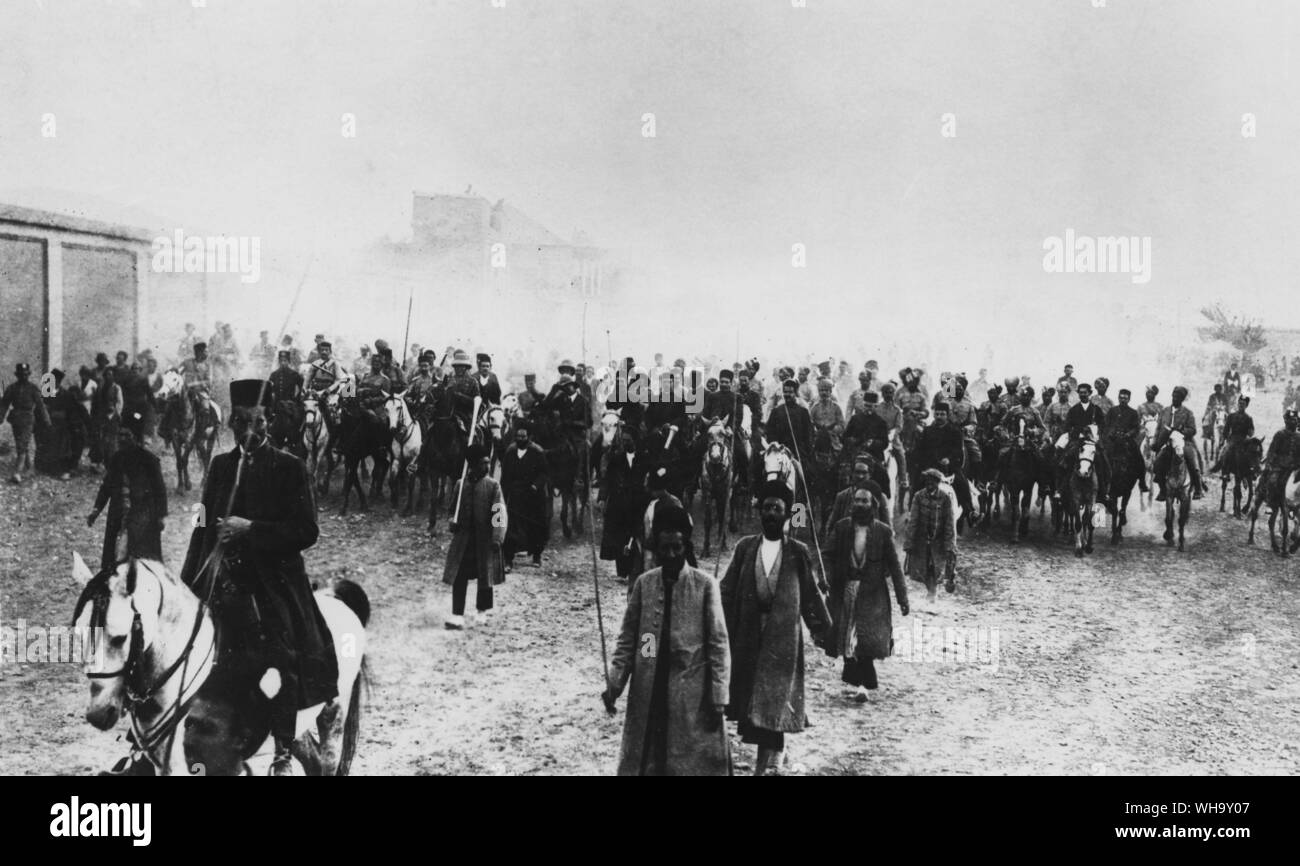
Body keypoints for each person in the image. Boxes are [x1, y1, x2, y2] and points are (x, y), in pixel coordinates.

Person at [179, 379, 338, 776]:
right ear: (234, 424)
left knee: (282, 656)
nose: (254, 430)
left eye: (260, 421)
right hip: (223, 578)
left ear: (269, 422)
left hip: (272, 581)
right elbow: (200, 519)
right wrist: (189, 579)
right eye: (246, 422)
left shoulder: (290, 467)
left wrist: (251, 529)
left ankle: (284, 749)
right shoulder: (219, 466)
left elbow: (306, 531)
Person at [603, 503, 730, 776]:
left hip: (691, 697)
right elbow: (631, 640)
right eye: (664, 549)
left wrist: (719, 694)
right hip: (649, 694)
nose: (671, 555)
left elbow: (718, 645)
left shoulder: (705, 586)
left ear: (686, 547)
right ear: (656, 549)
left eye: (677, 548)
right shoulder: (644, 585)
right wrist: (614, 683)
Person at [719, 479, 831, 776]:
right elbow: (727, 592)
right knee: (754, 700)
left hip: (783, 639)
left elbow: (810, 596)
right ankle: (766, 760)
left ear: (785, 515)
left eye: (777, 509)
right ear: (760, 512)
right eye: (766, 508)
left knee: (775, 701)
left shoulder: (797, 551)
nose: (770, 513)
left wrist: (823, 631)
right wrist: (716, 623)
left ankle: (770, 761)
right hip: (749, 636)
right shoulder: (745, 548)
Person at [825, 486, 908, 702]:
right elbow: (827, 555)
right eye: (857, 501)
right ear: (852, 503)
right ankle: (856, 680)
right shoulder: (842, 528)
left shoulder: (882, 531)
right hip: (846, 591)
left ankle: (863, 685)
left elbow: (895, 566)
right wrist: (825, 577)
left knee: (865, 639)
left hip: (872, 595)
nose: (860, 505)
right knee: (847, 637)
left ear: (873, 505)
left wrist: (902, 598)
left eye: (865, 501)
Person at [87, 411, 167, 570]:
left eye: (126, 435)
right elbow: (106, 486)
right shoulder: (117, 459)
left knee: (142, 561)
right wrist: (96, 509)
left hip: (143, 517)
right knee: (114, 559)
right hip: (118, 513)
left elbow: (160, 490)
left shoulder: (150, 461)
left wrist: (161, 516)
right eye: (120, 435)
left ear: (135, 437)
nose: (122, 439)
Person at [443, 443, 507, 630]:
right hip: (464, 540)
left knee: (484, 575)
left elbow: (498, 512)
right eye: (483, 463)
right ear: (472, 465)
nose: (487, 467)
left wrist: (497, 537)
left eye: (488, 462)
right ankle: (457, 615)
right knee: (459, 576)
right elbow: (452, 510)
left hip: (484, 539)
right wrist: (452, 522)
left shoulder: (493, 486)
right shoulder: (460, 485)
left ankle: (482, 611)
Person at [599, 429, 651, 581]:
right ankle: (621, 572)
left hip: (637, 504)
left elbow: (650, 478)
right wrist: (602, 498)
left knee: (635, 536)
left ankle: (634, 570)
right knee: (619, 537)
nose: (626, 443)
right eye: (623, 440)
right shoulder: (616, 459)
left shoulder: (643, 458)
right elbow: (607, 480)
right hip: (618, 504)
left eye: (628, 440)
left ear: (635, 441)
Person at [500, 420, 551, 568]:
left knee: (536, 526)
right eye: (518, 436)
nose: (521, 439)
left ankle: (536, 556)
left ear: (529, 437)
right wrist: (504, 492)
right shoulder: (510, 451)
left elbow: (544, 473)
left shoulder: (537, 451)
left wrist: (536, 485)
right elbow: (506, 475)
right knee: (511, 528)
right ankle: (508, 559)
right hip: (516, 495)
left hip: (533, 496)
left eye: (524, 437)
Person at [903, 468, 957, 598]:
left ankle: (933, 591)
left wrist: (950, 544)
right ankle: (931, 590)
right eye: (927, 482)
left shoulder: (945, 498)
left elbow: (949, 523)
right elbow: (913, 521)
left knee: (935, 567)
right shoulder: (918, 496)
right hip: (922, 539)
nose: (929, 485)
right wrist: (909, 542)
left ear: (938, 483)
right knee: (924, 568)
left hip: (938, 540)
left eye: (932, 483)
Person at [1151, 385, 1208, 500]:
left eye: (1178, 397)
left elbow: (1193, 430)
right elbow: (1158, 428)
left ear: (1182, 399)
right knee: (1157, 464)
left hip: (1184, 442)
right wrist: (1155, 442)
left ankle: (1198, 489)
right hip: (1167, 442)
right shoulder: (1164, 411)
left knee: (1192, 462)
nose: (1175, 399)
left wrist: (1180, 430)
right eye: (1174, 396)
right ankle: (1163, 489)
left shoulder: (1188, 413)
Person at [1, 363, 51, 482]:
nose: (23, 376)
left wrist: (46, 420)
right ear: (17, 375)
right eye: (21, 374)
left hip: (28, 419)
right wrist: (0, 417)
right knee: (21, 443)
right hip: (15, 420)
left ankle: (18, 472)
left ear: (28, 374)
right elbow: (4, 404)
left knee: (22, 445)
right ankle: (29, 468)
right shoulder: (12, 388)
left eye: (25, 374)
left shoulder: (33, 389)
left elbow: (41, 406)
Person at [1104, 388, 1150, 494]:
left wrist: (1128, 434)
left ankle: (1142, 482)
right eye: (1121, 397)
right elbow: (1107, 424)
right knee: (1102, 455)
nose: (1123, 400)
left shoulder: (1133, 412)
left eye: (1125, 398)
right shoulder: (1112, 410)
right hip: (1113, 440)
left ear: (1129, 399)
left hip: (1127, 440)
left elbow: (1136, 428)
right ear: (1118, 398)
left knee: (1138, 457)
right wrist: (1111, 433)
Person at [765, 378, 814, 461]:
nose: (787, 394)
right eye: (785, 392)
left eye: (790, 392)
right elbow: (770, 431)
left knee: (808, 471)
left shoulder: (803, 412)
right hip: (780, 450)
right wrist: (775, 445)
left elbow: (808, 434)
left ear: (795, 393)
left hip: (798, 451)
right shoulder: (776, 411)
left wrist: (806, 449)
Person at [1210, 395, 1255, 476]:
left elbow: (1251, 431)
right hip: (1233, 439)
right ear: (1238, 404)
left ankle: (1251, 471)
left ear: (1246, 406)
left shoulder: (1248, 418)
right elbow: (1226, 429)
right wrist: (1223, 439)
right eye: (1240, 403)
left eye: (1243, 404)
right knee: (1226, 452)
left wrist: (1250, 432)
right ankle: (1225, 471)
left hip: (1243, 440)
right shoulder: (1231, 416)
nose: (1241, 405)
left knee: (1252, 453)